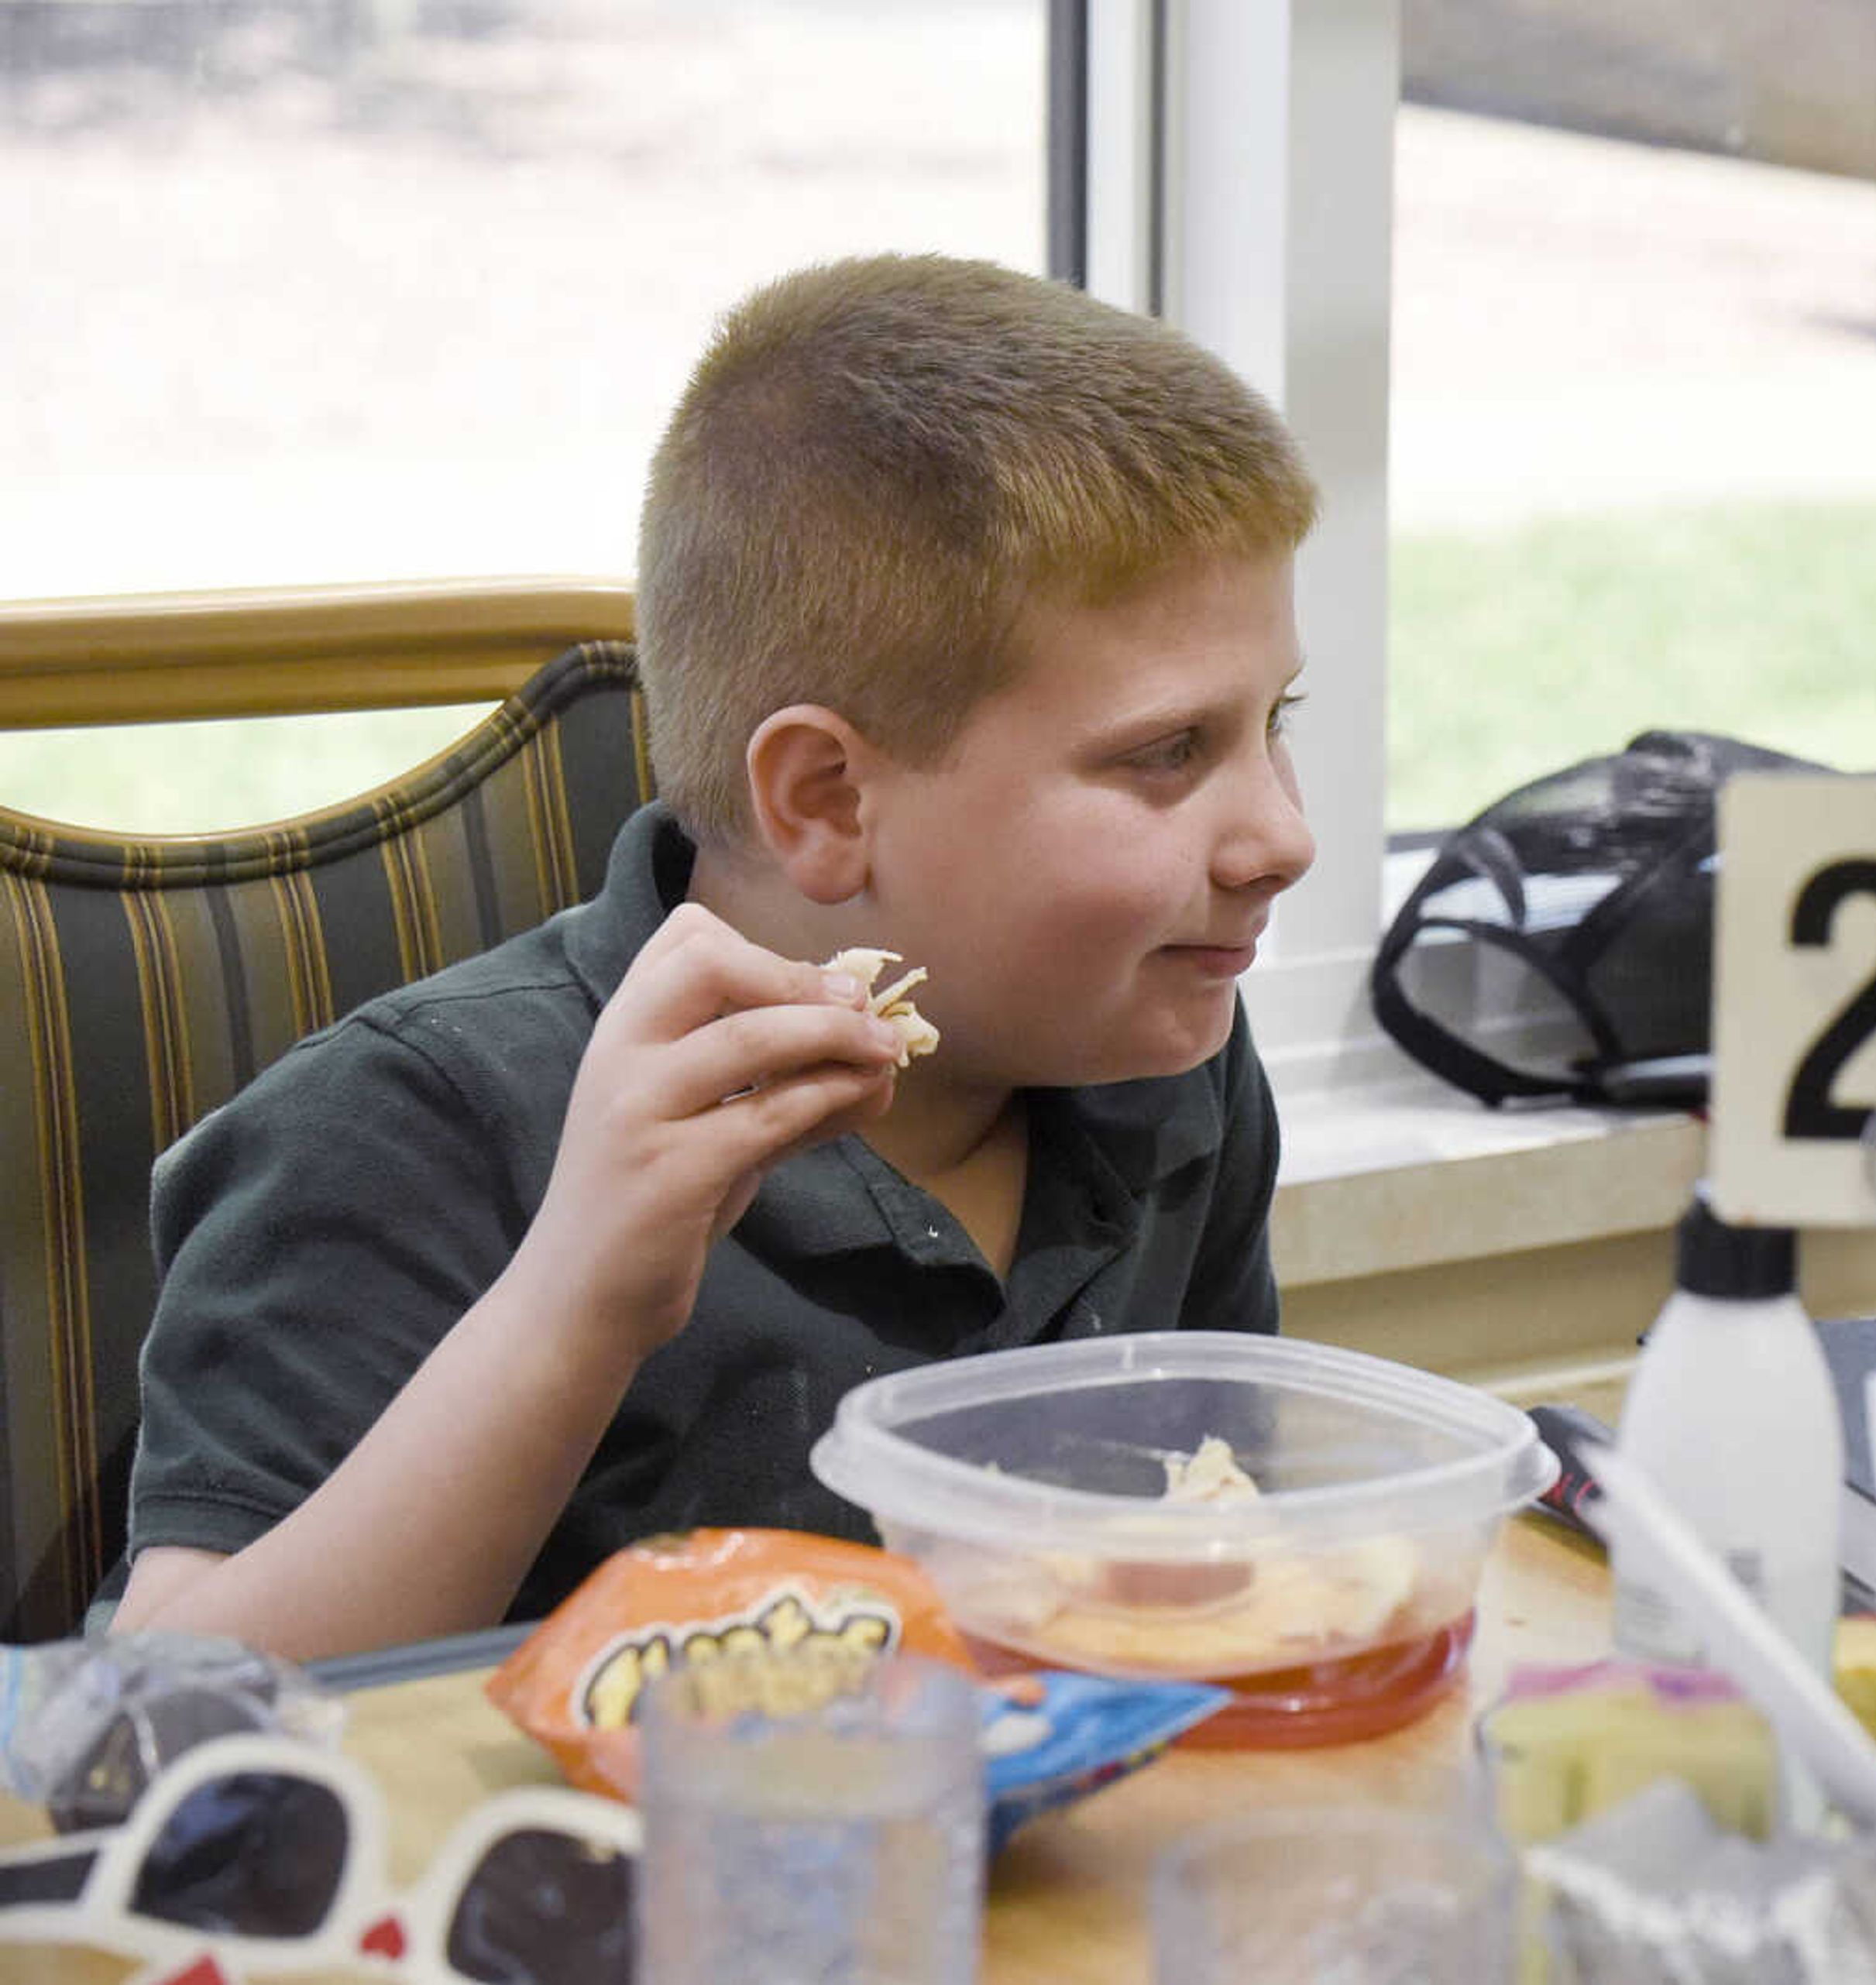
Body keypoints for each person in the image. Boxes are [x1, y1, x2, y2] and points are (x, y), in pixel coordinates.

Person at [112, 254, 1319, 1660]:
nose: (1281, 837)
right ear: (826, 800)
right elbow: (163, 1718)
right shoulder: (402, 1131)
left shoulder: (1159, 1052)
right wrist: (579, 1301)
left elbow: (1223, 1545)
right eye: (1170, 752)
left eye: (1273, 720)